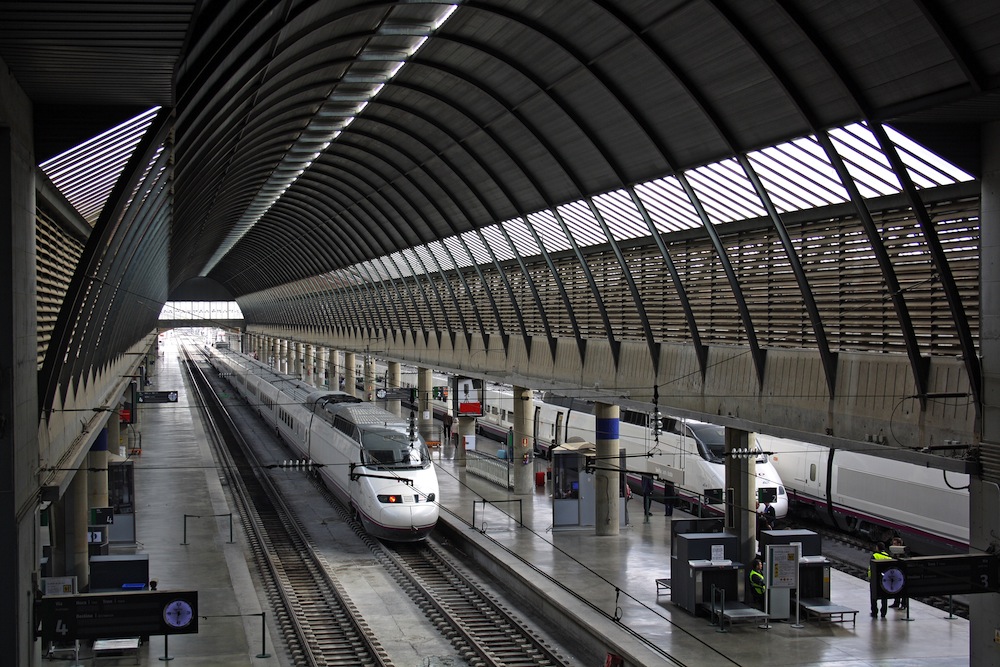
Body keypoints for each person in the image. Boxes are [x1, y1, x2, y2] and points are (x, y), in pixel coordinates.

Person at [869, 541, 892, 618]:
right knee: (884, 596)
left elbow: (871, 568)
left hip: (875, 579)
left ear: (877, 548)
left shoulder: (875, 556)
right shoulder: (888, 557)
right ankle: (883, 613)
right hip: (885, 580)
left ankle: (874, 612)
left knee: (874, 596)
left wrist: (870, 577)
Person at [888, 536, 908, 610]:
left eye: (895, 544)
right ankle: (896, 602)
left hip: (902, 575)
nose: (893, 546)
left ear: (899, 545)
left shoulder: (904, 555)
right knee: (896, 588)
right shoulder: (894, 554)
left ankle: (904, 604)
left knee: (903, 590)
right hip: (896, 574)